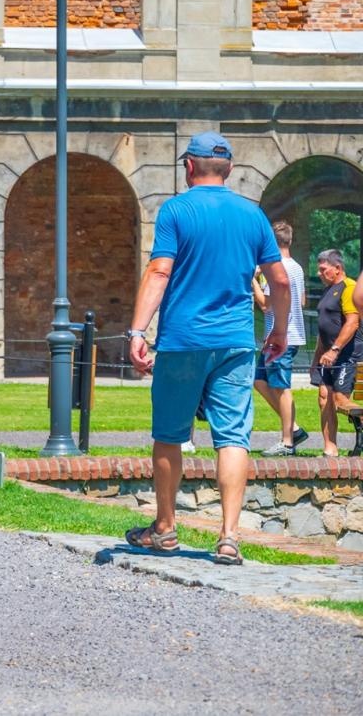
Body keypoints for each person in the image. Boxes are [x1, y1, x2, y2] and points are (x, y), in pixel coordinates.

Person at [123, 131, 289, 567]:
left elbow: (159, 272)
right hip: (235, 341)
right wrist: (278, 330)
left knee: (169, 435)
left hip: (183, 340)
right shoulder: (253, 215)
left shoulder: (176, 210)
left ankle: (164, 528)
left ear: (189, 166)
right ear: (229, 169)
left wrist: (137, 331)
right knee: (233, 437)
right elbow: (280, 281)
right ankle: (229, 537)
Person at [251, 220, 309, 455]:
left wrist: (253, 280)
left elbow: (265, 305)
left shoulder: (274, 269)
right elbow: (302, 301)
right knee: (259, 380)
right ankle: (293, 429)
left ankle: (287, 442)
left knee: (281, 387)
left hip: (281, 337)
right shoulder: (297, 267)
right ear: (290, 240)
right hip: (288, 335)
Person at [311, 249, 360, 457]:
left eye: (323, 269)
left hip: (347, 356)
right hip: (327, 357)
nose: (319, 273)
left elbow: (353, 322)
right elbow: (324, 328)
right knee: (324, 397)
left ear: (337, 268)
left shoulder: (350, 288)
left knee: (340, 400)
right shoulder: (328, 291)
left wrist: (335, 350)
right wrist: (317, 357)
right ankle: (330, 448)